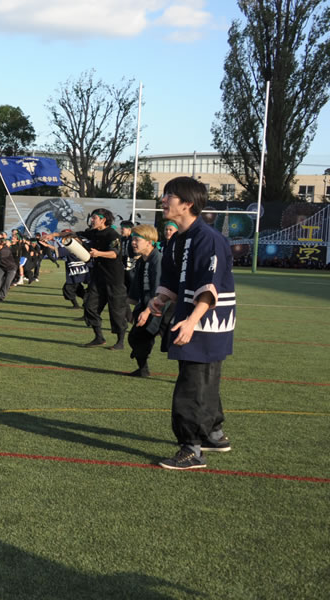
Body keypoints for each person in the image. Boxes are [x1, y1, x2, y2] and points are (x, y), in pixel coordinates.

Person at [139, 177, 235, 470]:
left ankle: (192, 449)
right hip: (192, 318)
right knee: (203, 381)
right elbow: (171, 279)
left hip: (206, 322)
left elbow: (209, 287)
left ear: (188, 203)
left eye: (169, 195)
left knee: (191, 387)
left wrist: (193, 321)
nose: (164, 200)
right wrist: (160, 299)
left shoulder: (208, 238)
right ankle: (213, 434)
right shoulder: (179, 238)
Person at [75, 208, 127, 350]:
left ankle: (120, 341)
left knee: (116, 311)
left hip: (114, 279)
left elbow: (114, 254)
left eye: (94, 218)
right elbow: (74, 234)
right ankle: (99, 337)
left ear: (103, 220)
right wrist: (54, 235)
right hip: (98, 277)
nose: (92, 220)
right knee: (89, 306)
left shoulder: (113, 235)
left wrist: (98, 253)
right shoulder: (94, 232)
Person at [126, 224, 169, 378]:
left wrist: (146, 312)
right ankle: (143, 369)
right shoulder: (142, 261)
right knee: (136, 337)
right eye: (132, 239)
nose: (133, 242)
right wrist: (131, 308)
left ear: (149, 241)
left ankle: (189, 374)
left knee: (172, 344)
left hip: (161, 308)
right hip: (147, 305)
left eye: (137, 239)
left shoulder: (157, 259)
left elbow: (158, 291)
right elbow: (136, 289)